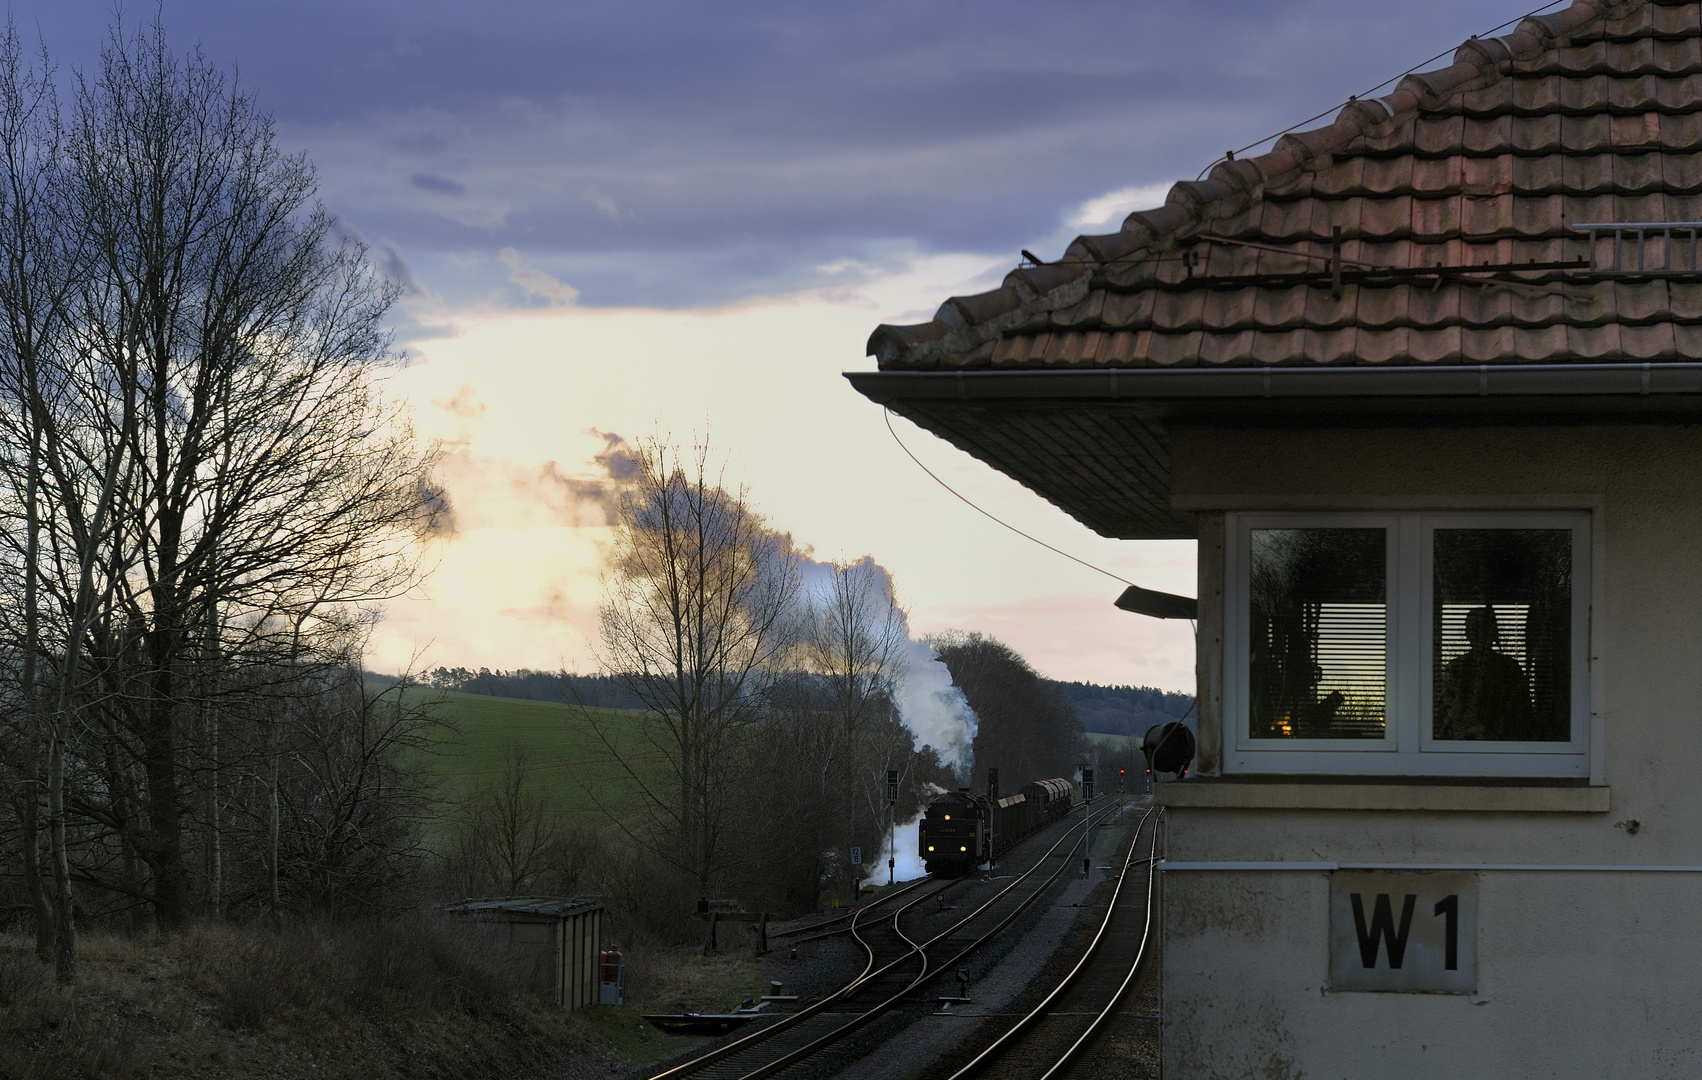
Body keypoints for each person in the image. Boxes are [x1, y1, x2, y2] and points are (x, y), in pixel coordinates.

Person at [1436, 606, 1533, 740]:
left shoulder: (1509, 668)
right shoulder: (1456, 668)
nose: (1478, 636)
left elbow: (1522, 715)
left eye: (1483, 630)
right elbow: (1446, 711)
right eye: (1473, 629)